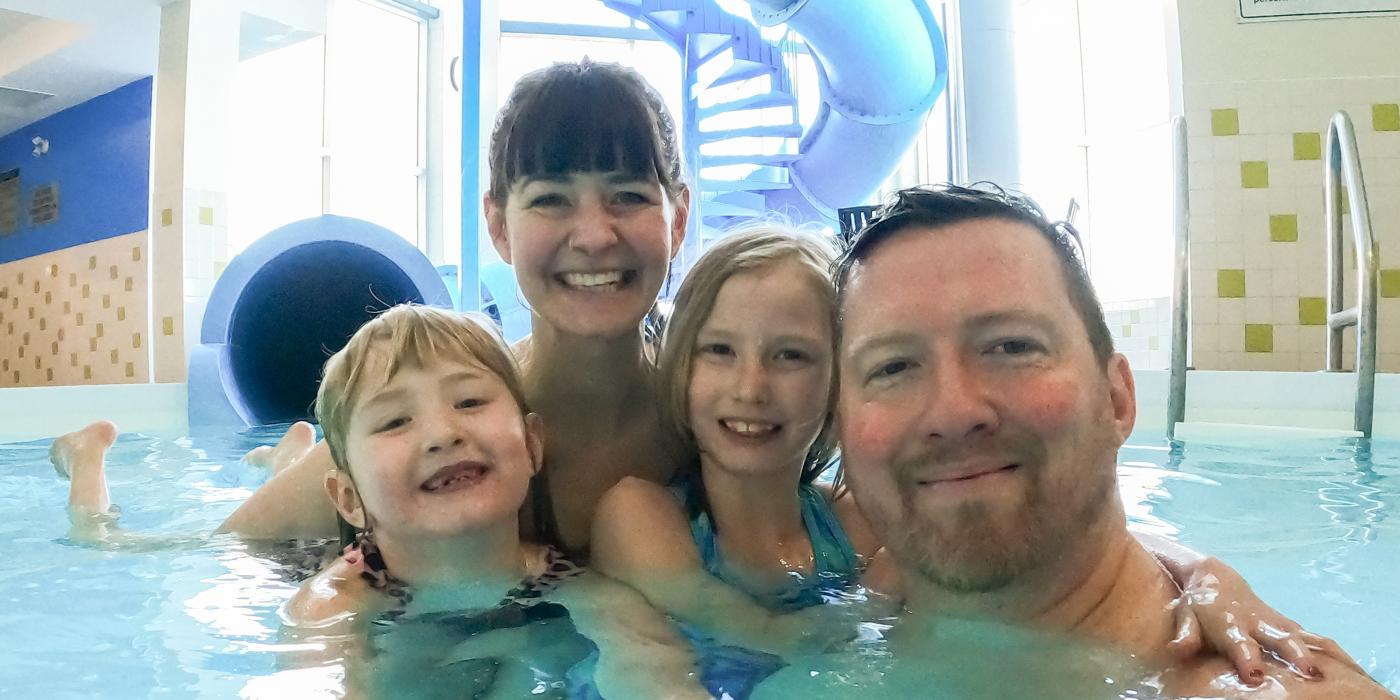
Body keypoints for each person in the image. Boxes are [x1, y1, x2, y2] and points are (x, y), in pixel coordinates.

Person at [589, 225, 1352, 691]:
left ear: (842, 389)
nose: (750, 387)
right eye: (719, 352)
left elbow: (1020, 543)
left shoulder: (860, 527)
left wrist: (1205, 575)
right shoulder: (643, 516)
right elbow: (774, 638)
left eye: (792, 355)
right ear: (681, 365)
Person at [759, 184, 1387, 697]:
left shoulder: (1260, 690)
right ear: (842, 428)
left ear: (1117, 399)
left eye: (1011, 347)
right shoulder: (853, 593)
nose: (952, 412)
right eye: (892, 367)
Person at [55, 305, 707, 699]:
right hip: (308, 555)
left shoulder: (561, 576)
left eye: (471, 402)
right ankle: (87, 459)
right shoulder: (334, 601)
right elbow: (317, 681)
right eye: (396, 422)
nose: (443, 433)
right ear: (348, 498)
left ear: (533, 445)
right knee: (113, 546)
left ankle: (281, 457)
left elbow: (648, 657)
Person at [215, 60, 691, 555]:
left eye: (629, 196)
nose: (594, 236)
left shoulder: (712, 409)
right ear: (499, 225)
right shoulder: (454, 415)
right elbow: (229, 554)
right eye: (551, 199)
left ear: (677, 221)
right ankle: (287, 461)